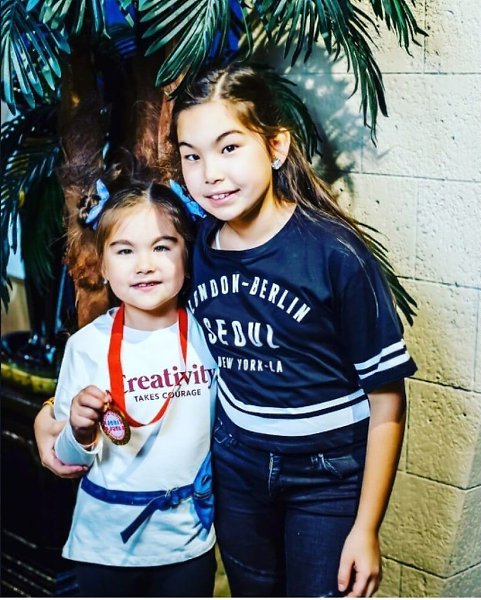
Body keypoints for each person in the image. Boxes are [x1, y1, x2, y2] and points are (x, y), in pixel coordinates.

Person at [35, 63, 417, 597]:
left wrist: (366, 528)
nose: (210, 173)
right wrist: (49, 419)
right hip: (238, 470)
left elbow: (387, 400)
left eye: (229, 147)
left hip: (325, 477)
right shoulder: (199, 251)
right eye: (192, 155)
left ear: (276, 147)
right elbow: (139, 341)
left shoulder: (336, 255)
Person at [38, 180, 217, 597]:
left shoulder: (209, 337)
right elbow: (65, 457)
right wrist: (79, 431)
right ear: (102, 265)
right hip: (104, 546)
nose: (144, 265)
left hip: (187, 543)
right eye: (124, 251)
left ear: (187, 257)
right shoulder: (85, 346)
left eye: (162, 247)